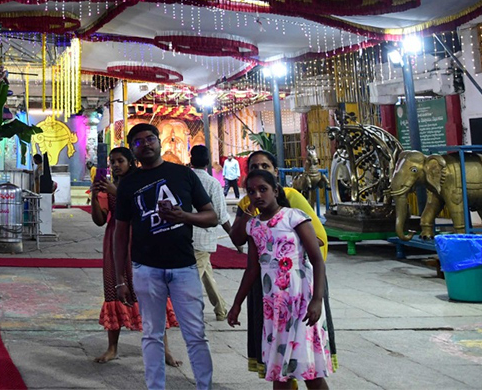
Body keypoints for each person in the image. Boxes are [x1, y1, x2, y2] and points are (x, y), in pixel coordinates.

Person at [113, 123, 217, 390]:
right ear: (133, 149)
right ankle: (155, 386)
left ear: (159, 142)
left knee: (195, 334)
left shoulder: (183, 175)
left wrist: (185, 216)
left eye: (150, 139)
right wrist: (120, 278)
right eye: (138, 142)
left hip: (184, 267)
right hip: (146, 268)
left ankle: (204, 386)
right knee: (152, 334)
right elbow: (120, 232)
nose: (146, 144)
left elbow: (211, 216)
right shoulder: (128, 184)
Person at [229, 149, 335, 379]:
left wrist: (317, 300)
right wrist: (237, 304)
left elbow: (317, 259)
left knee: (310, 372)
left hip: (301, 300)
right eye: (252, 191)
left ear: (275, 189)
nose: (257, 195)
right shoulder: (254, 226)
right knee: (279, 371)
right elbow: (252, 269)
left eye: (263, 189)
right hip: (274, 305)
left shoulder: (294, 217)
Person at [90, 146, 179, 368]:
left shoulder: (141, 183)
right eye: (112, 162)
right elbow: (100, 220)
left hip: (141, 240)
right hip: (114, 241)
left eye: (120, 160)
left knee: (151, 292)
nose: (115, 165)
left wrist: (115, 192)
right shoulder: (110, 187)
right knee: (113, 290)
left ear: (131, 162)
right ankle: (112, 348)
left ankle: (164, 349)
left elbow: (143, 209)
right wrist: (94, 195)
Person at [189, 145, 236, 321]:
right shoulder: (213, 183)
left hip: (186, 235)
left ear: (190, 160)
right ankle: (219, 309)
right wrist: (235, 238)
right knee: (195, 277)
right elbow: (222, 215)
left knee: (201, 275)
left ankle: (221, 309)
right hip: (203, 238)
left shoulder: (185, 180)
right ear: (208, 162)